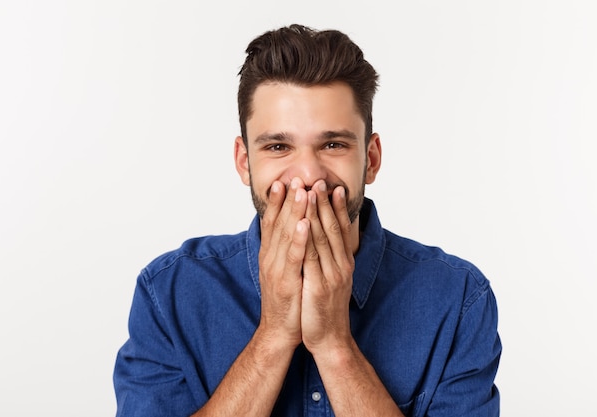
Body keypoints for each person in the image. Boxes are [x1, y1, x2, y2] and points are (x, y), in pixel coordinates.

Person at [113, 24, 501, 417]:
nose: (307, 175)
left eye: (333, 144)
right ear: (244, 162)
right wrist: (273, 335)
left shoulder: (458, 300)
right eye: (278, 146)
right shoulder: (168, 293)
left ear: (371, 159)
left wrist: (335, 346)